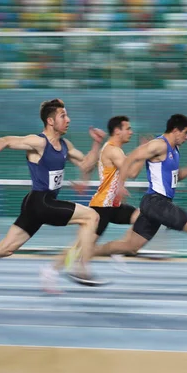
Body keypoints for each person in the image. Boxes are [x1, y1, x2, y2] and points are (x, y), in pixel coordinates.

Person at [0, 98, 107, 304]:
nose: (68, 119)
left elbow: (85, 165)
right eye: (63, 116)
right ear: (50, 121)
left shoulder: (66, 145)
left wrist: (96, 143)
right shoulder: (39, 142)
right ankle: (81, 268)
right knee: (92, 216)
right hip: (41, 202)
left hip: (36, 205)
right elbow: (3, 141)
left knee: (6, 248)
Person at [83, 114, 187, 290]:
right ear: (175, 131)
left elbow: (174, 178)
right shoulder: (159, 145)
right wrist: (121, 184)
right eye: (185, 133)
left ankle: (85, 252)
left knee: (130, 247)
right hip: (156, 202)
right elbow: (132, 157)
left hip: (156, 204)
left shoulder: (174, 151)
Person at [41, 115, 141, 284]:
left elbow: (91, 166)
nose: (131, 132)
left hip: (113, 206)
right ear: (117, 131)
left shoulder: (112, 149)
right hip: (102, 206)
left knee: (142, 217)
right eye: (128, 128)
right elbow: (131, 172)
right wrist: (143, 154)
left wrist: (83, 181)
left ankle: (117, 250)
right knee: (80, 246)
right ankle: (53, 269)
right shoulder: (112, 150)